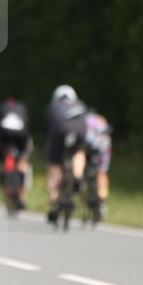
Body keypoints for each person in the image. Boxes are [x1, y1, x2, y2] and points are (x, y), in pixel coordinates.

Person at [45, 84, 88, 222]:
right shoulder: (80, 104)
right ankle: (77, 175)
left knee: (54, 166)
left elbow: (51, 126)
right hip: (79, 131)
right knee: (79, 151)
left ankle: (54, 204)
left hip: (60, 133)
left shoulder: (54, 106)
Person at [0, 96, 32, 209]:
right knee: (23, 162)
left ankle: (3, 180)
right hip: (21, 136)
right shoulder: (22, 108)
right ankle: (22, 197)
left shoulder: (1, 107)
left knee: (2, 162)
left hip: (4, 136)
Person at [83, 109, 112, 219]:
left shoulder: (83, 119)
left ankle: (86, 196)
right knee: (102, 172)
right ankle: (102, 201)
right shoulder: (100, 119)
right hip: (103, 145)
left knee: (82, 168)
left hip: (88, 145)